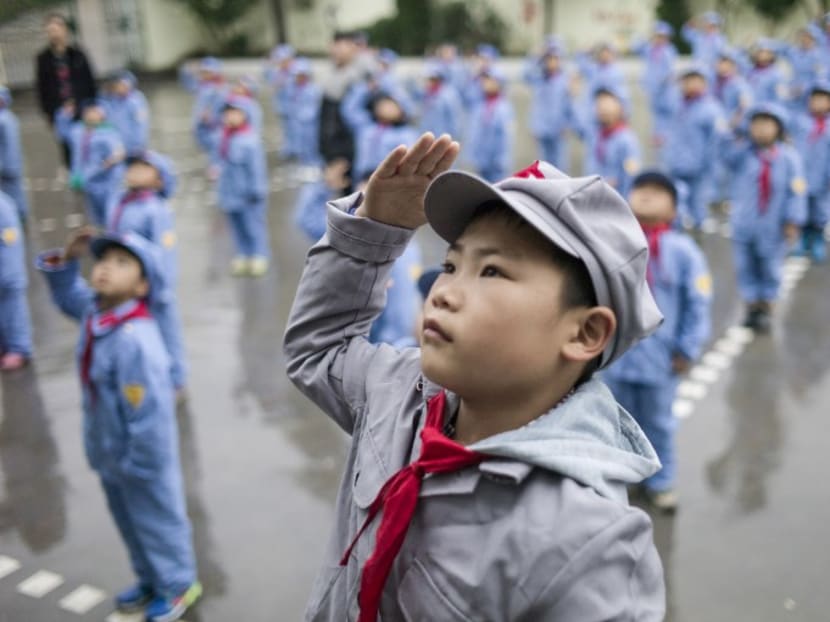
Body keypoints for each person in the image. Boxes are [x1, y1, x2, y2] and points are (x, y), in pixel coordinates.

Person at [283, 133, 665, 620]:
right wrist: (376, 232)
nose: (442, 293)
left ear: (585, 331)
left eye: (491, 272)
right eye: (450, 264)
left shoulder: (588, 543)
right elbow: (318, 348)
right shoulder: (400, 392)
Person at [36, 229, 201, 621]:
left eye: (122, 263)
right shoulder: (98, 313)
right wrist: (66, 261)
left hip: (142, 460)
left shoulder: (137, 340)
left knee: (157, 521)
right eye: (104, 260)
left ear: (143, 285)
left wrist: (141, 465)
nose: (107, 268)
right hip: (110, 450)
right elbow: (66, 297)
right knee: (130, 522)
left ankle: (178, 585)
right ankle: (150, 577)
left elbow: (150, 415)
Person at [604, 171, 713, 512]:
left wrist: (687, 348)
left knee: (658, 424)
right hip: (615, 358)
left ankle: (660, 482)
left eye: (658, 192)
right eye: (640, 190)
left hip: (661, 359)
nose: (647, 196)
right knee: (612, 421)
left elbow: (698, 302)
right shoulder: (612, 244)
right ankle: (621, 479)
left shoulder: (683, 251)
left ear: (674, 209)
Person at [106, 151, 189, 391]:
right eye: (132, 166)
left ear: (159, 180)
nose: (134, 171)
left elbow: (165, 252)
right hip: (129, 284)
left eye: (144, 168)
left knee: (166, 332)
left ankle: (175, 380)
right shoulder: (119, 200)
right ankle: (148, 376)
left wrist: (161, 288)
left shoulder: (156, 210)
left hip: (152, 285)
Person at [721, 104, 806, 331]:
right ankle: (751, 305)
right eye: (756, 124)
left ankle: (767, 306)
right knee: (745, 266)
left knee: (769, 266)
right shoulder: (743, 154)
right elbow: (723, 153)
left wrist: (793, 220)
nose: (761, 130)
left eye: (767, 124)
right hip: (744, 224)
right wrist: (734, 128)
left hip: (773, 225)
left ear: (778, 128)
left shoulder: (789, 158)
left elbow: (796, 190)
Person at [664, 65, 727, 230]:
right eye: (686, 81)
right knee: (677, 207)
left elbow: (717, 141)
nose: (690, 85)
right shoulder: (679, 104)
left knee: (698, 209)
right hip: (677, 164)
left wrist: (712, 167)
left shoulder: (711, 109)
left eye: (695, 80)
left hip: (699, 167)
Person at [216, 98, 270, 277]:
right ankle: (243, 255)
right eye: (227, 113)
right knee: (237, 226)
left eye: (235, 113)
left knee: (253, 226)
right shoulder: (224, 137)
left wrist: (256, 191)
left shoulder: (249, 140)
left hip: (247, 194)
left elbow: (256, 168)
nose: (230, 117)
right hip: (229, 193)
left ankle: (259, 256)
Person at [35, 13, 97, 167]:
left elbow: (89, 81)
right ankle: (74, 177)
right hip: (60, 112)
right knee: (67, 147)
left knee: (87, 143)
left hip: (81, 108)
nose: (54, 33)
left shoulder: (78, 54)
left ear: (65, 30)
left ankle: (89, 174)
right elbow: (42, 88)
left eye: (56, 29)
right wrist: (48, 112)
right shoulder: (43, 59)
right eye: (50, 30)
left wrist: (92, 105)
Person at [56, 98, 126, 227]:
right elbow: (62, 133)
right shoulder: (78, 130)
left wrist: (109, 162)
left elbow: (118, 153)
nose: (91, 115)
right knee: (95, 217)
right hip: (87, 182)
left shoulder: (109, 132)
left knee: (111, 214)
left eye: (95, 112)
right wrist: (64, 115)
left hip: (107, 182)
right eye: (88, 112)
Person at [318, 31, 375, 169]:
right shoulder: (332, 77)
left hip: (357, 156)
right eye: (333, 46)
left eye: (340, 46)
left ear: (353, 47)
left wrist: (341, 158)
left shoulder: (367, 79)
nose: (334, 51)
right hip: (335, 153)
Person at [342, 88, 420, 183]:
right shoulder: (366, 126)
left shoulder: (405, 133)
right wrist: (365, 88)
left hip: (388, 179)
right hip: (362, 178)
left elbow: (408, 159)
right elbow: (348, 110)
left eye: (391, 105)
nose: (386, 108)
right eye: (383, 104)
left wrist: (389, 83)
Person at [576, 87, 641, 196]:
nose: (602, 108)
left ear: (621, 108)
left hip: (615, 202)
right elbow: (577, 123)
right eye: (599, 104)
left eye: (607, 104)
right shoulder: (595, 135)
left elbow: (631, 178)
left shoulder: (627, 140)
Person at [792, 81, 830, 261]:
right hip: (801, 175)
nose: (819, 104)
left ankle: (817, 238)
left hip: (823, 177)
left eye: (824, 100)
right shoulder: (800, 121)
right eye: (815, 100)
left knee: (820, 210)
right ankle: (801, 238)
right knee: (800, 208)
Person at [523, 37, 573, 169]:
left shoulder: (564, 81)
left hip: (558, 129)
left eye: (555, 58)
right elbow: (524, 75)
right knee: (542, 166)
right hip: (542, 129)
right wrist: (535, 56)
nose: (552, 62)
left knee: (559, 166)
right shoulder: (539, 79)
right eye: (548, 58)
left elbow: (569, 106)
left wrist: (568, 124)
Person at [0, 190, 32, 371]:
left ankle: (19, 348)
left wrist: (7, 277)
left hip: (7, 278)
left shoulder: (3, 207)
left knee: (13, 312)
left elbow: (9, 244)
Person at [465, 66, 514, 182]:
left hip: (497, 163)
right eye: (484, 80)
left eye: (490, 80)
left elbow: (507, 136)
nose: (485, 83)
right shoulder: (480, 104)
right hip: (482, 160)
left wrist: (503, 159)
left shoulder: (504, 107)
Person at [634, 21, 678, 149]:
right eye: (657, 36)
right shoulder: (650, 49)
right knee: (656, 113)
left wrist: (662, 82)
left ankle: (667, 137)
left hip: (665, 89)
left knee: (667, 113)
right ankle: (658, 135)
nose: (660, 39)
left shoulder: (669, 51)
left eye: (663, 36)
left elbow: (670, 71)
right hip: (653, 89)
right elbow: (635, 47)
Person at [102, 70, 150, 157]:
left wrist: (138, 146)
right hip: (116, 148)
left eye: (122, 84)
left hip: (134, 148)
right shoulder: (110, 100)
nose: (119, 87)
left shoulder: (136, 101)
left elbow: (141, 124)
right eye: (117, 85)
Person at [414, 61, 463, 142]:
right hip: (428, 136)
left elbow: (455, 119)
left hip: (443, 138)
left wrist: (453, 138)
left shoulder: (449, 95)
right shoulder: (428, 93)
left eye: (430, 79)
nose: (427, 81)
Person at [0, 86, 29, 222]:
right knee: (16, 192)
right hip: (13, 163)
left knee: (11, 195)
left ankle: (17, 218)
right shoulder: (9, 117)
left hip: (7, 165)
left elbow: (8, 146)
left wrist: (4, 165)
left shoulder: (3, 120)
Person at [287, 58, 322, 166]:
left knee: (311, 147)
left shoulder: (313, 89)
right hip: (298, 124)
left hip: (310, 125)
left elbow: (315, 109)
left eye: (301, 75)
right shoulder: (293, 88)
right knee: (300, 147)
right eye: (296, 75)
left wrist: (304, 116)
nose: (298, 78)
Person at [747, 38, 788, 105]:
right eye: (758, 51)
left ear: (771, 55)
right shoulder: (751, 70)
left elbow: (781, 97)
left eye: (763, 52)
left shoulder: (776, 74)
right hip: (753, 109)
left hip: (767, 111)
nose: (760, 54)